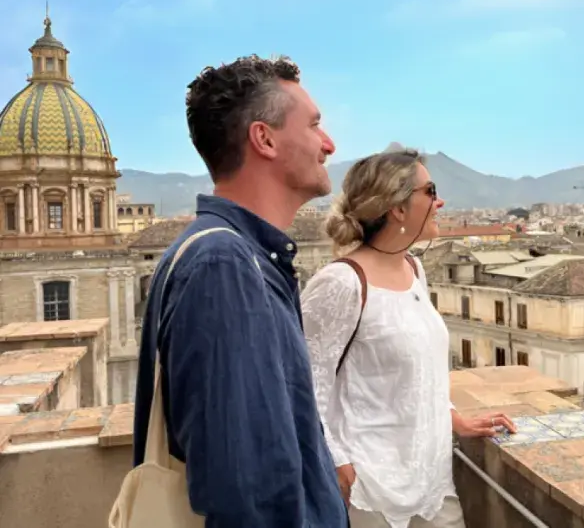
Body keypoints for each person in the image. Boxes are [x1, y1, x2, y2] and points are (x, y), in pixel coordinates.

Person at [132, 55, 349, 527]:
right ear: (264, 139)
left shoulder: (233, 256)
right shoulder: (224, 268)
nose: (329, 143)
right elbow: (249, 491)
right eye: (314, 125)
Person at [301, 149, 516, 528]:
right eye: (430, 191)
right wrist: (337, 462)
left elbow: (420, 371)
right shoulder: (341, 283)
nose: (440, 202)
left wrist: (454, 419)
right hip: (370, 488)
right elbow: (305, 382)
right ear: (397, 208)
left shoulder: (414, 269)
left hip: (432, 482)